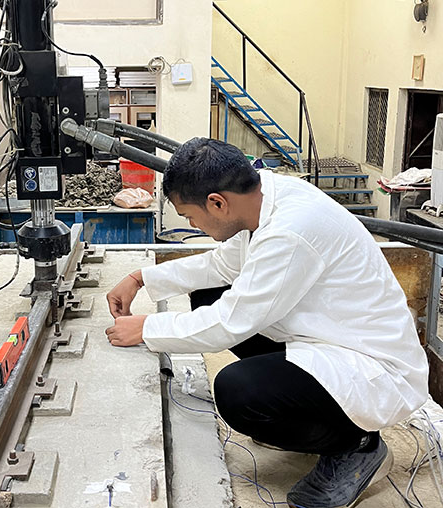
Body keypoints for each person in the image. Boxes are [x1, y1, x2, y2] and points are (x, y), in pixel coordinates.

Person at [105, 137, 428, 508]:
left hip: (371, 364)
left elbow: (231, 323)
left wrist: (146, 328)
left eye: (191, 217)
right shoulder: (266, 196)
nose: (193, 225)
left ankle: (356, 446)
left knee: (239, 393)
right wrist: (141, 277)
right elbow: (222, 266)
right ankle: (310, 415)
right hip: (326, 333)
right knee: (208, 294)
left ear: (217, 203)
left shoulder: (290, 231)